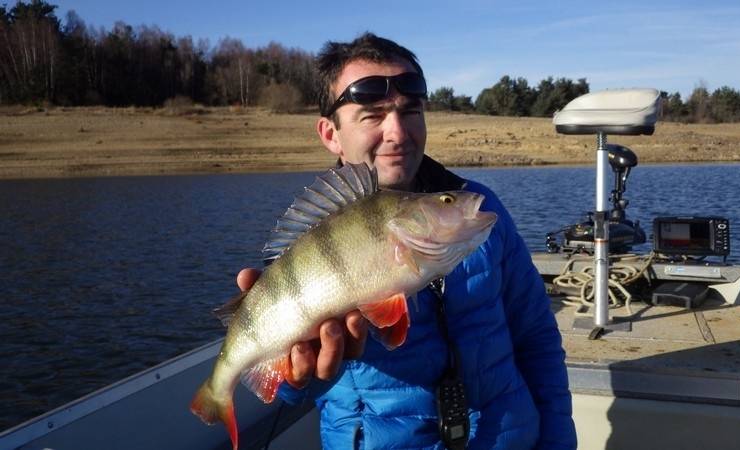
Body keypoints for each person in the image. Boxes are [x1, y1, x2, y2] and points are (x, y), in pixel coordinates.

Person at [238, 32, 577, 449]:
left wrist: (558, 441)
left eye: (410, 110)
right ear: (331, 134)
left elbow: (537, 338)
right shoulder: (309, 239)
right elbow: (286, 387)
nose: (397, 132)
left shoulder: (480, 211)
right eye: (372, 115)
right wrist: (297, 375)